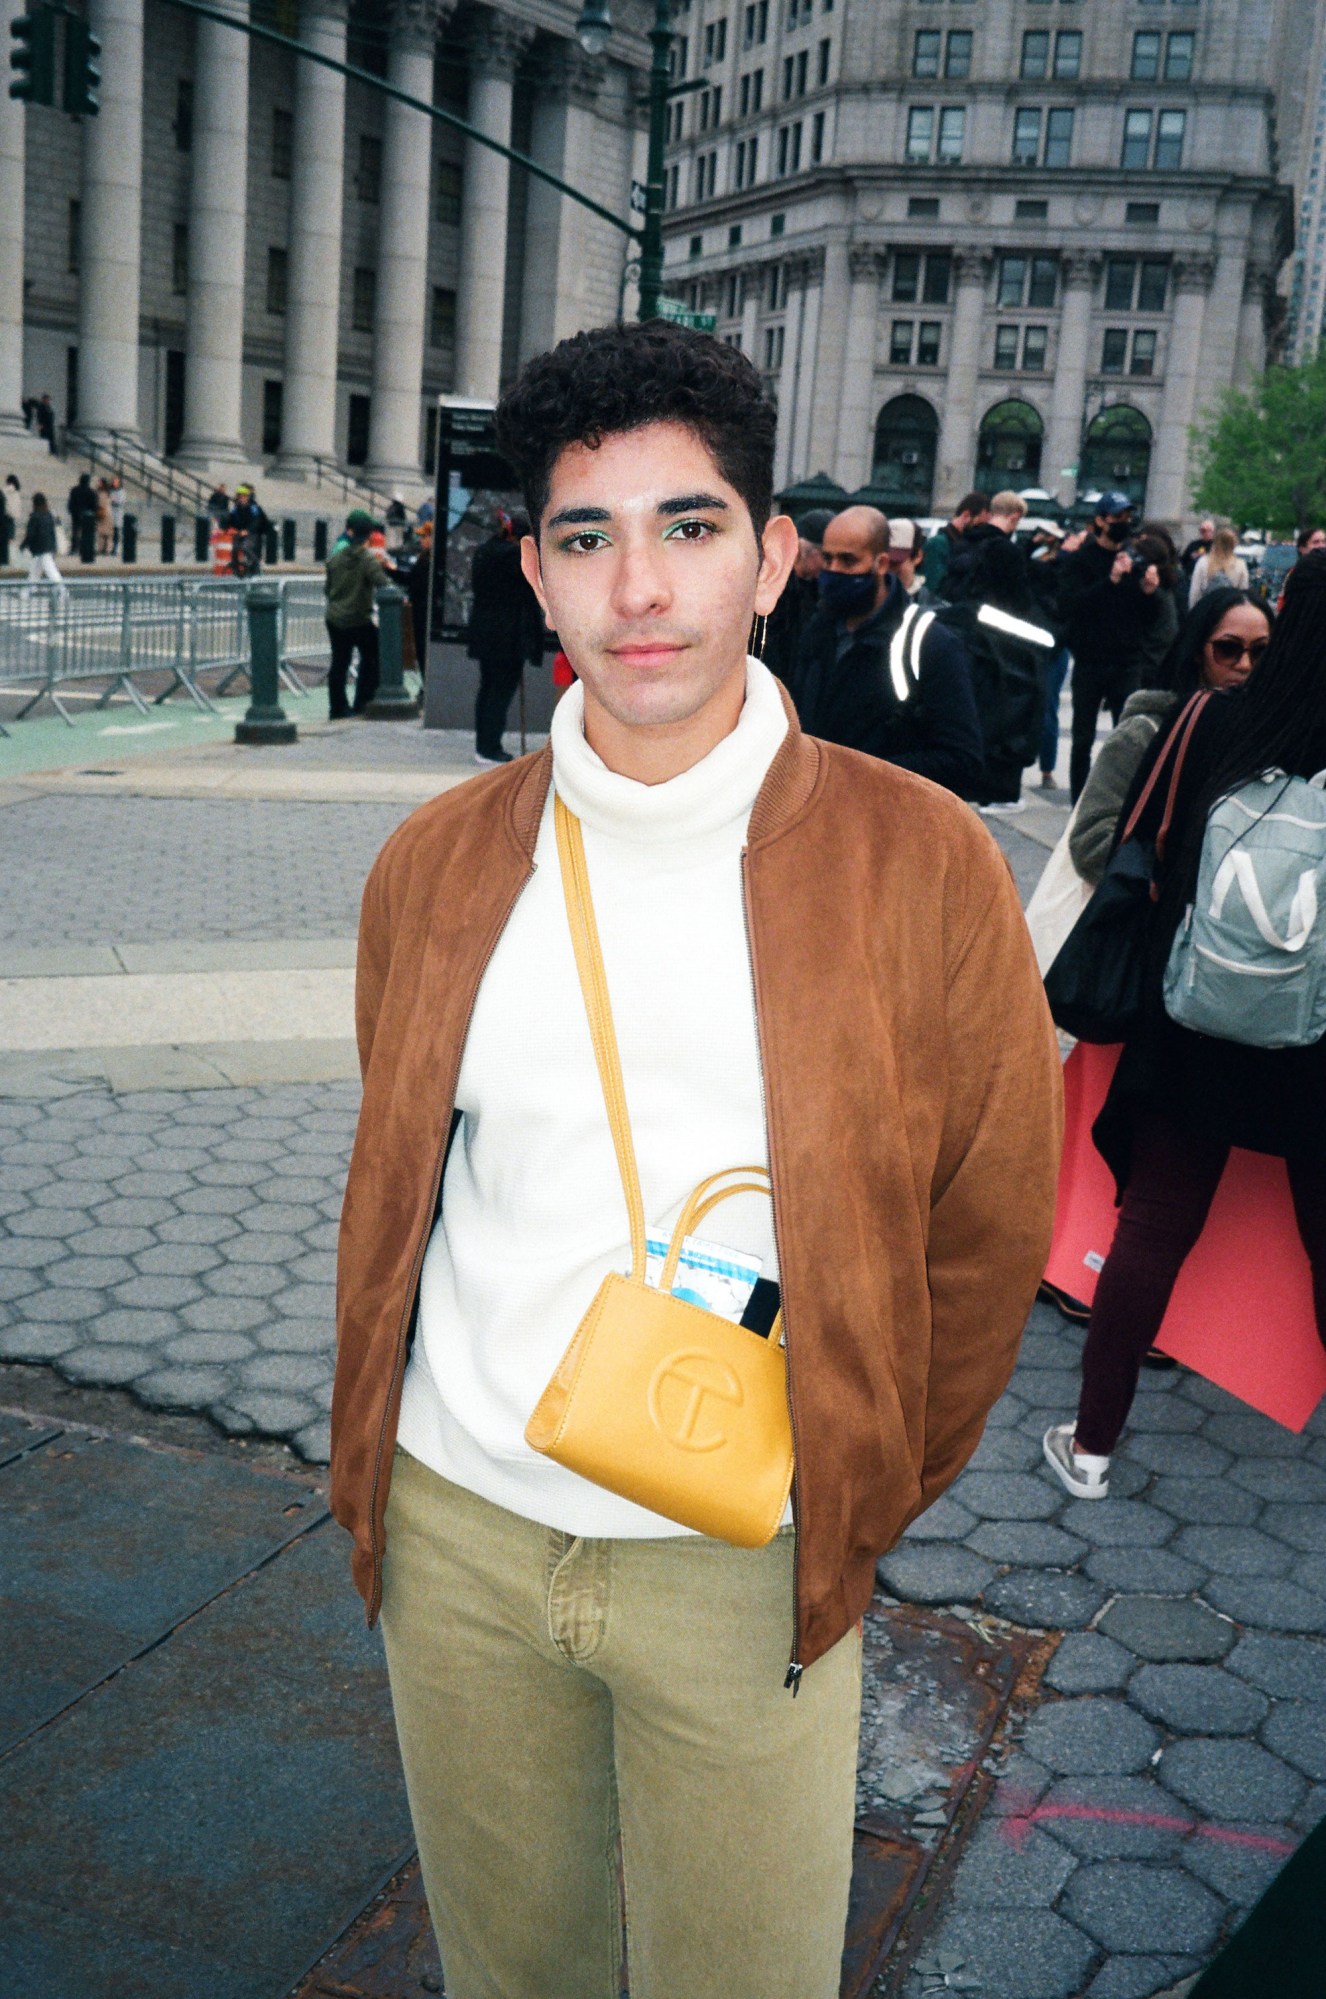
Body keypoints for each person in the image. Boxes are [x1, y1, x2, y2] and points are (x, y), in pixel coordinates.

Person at [330, 319, 1061, 1999]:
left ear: (774, 555)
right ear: (533, 570)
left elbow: (985, 1227)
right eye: (588, 536)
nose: (639, 587)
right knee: (515, 1973)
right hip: (457, 1531)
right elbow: (405, 1178)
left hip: (749, 1556)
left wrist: (855, 1487)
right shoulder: (436, 862)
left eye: (689, 526)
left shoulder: (923, 862)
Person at [1043, 551, 1326, 1501]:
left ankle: (1090, 1448)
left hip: (1194, 1016)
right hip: (1317, 1040)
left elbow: (1135, 847)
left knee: (1154, 1228)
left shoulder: (1210, 719)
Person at [1069, 587, 1274, 887]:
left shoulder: (1270, 738)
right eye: (1228, 649)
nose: (1245, 664)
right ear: (1196, 653)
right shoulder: (1144, 734)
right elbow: (1090, 845)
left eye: (1261, 652)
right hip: (1153, 921)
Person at [790, 503, 984, 795]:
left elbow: (962, 760)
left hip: (884, 823)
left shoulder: (930, 644)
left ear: (881, 563)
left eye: (848, 560)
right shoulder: (818, 629)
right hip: (816, 816)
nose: (834, 571)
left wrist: (860, 773)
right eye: (828, 559)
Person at [1057, 491, 1166, 801]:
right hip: (1091, 661)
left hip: (1126, 661)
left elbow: (1149, 618)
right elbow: (1070, 606)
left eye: (1127, 518)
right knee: (1082, 738)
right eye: (1117, 518)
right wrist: (1110, 581)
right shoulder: (1081, 561)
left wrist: (1149, 592)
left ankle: (1124, 799)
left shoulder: (1135, 560)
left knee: (1129, 734)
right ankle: (1078, 800)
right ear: (1100, 520)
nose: (1123, 524)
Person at [465, 506, 544, 764]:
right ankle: (490, 746)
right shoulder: (513, 558)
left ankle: (484, 745)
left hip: (487, 633)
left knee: (488, 689)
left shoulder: (486, 551)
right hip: (507, 636)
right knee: (499, 692)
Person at [324, 508, 388, 718]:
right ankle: (363, 700)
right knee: (373, 655)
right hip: (358, 619)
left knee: (339, 663)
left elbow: (328, 589)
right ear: (369, 534)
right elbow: (383, 584)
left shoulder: (335, 558)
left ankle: (337, 707)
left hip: (334, 617)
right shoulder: (367, 560)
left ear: (349, 531)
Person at [762, 506, 828, 684]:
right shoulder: (773, 584)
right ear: (808, 551)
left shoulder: (820, 589)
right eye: (827, 557)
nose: (830, 565)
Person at [921, 489, 989, 594]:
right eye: (979, 524)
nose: (981, 529)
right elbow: (933, 588)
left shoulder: (965, 544)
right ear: (966, 515)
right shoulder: (938, 544)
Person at [1188, 525, 1248, 606]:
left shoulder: (1203, 561)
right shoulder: (1240, 565)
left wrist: (1193, 612)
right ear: (1234, 545)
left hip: (1207, 610)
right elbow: (1243, 592)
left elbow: (1195, 592)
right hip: (1229, 610)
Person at [21, 493, 66, 598]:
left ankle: (62, 590)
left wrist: (23, 545)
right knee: (35, 571)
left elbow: (30, 534)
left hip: (39, 548)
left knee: (49, 571)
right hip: (48, 547)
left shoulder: (35, 517)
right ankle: (27, 592)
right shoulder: (49, 515)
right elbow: (52, 533)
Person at [227, 484, 268, 576]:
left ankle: (255, 564)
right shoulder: (236, 508)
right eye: (240, 496)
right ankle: (236, 568)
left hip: (252, 533)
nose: (242, 498)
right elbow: (230, 519)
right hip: (240, 532)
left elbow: (257, 521)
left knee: (246, 547)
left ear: (247, 497)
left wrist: (248, 530)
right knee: (235, 548)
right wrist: (228, 528)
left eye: (244, 496)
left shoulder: (253, 507)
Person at [68, 471, 97, 555]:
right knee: (86, 534)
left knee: (75, 532)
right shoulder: (91, 492)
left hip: (75, 513)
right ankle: (84, 548)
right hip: (87, 515)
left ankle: (74, 548)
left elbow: (71, 502)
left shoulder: (74, 490)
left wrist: (72, 510)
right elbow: (94, 505)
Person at [1179, 515, 1215, 580]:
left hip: (1211, 576)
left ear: (1212, 531)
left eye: (1206, 530)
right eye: (1202, 530)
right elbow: (1183, 560)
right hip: (1192, 575)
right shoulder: (1193, 544)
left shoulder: (1216, 545)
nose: (1204, 533)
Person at [94, 477, 113, 556]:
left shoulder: (102, 493)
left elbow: (101, 503)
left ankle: (104, 548)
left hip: (103, 513)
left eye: (100, 482)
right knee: (104, 533)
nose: (98, 484)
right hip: (107, 512)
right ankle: (106, 548)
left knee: (103, 533)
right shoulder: (107, 493)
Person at [108, 475, 125, 555]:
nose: (114, 483)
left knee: (116, 532)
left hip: (117, 513)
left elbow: (119, 502)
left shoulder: (121, 492)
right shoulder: (110, 491)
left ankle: (115, 548)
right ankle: (108, 547)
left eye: (116, 481)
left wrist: (112, 501)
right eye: (113, 481)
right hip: (110, 513)